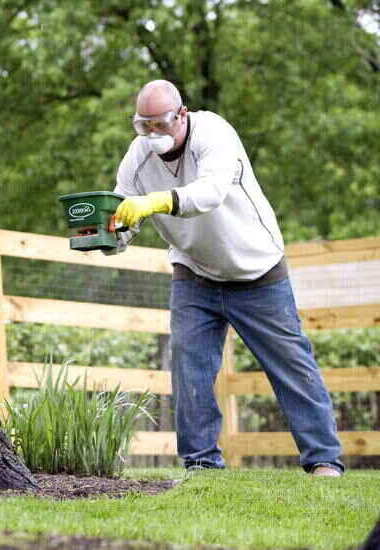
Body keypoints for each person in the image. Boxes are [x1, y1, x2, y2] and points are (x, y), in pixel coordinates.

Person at [108, 80, 344, 477]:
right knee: (190, 367)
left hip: (256, 269)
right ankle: (201, 465)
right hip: (194, 272)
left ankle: (323, 461)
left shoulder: (214, 133)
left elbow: (211, 192)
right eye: (143, 125)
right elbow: (122, 212)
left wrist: (157, 202)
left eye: (161, 123)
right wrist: (108, 236)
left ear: (181, 115)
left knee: (292, 368)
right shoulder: (138, 158)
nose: (153, 134)